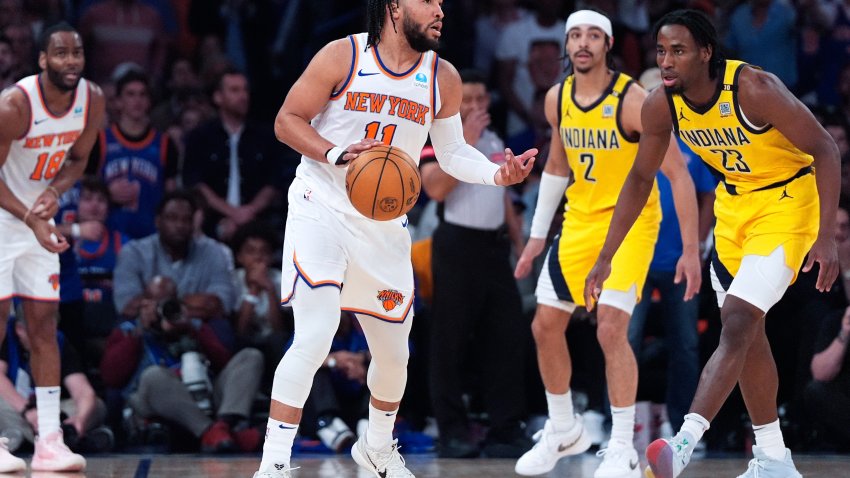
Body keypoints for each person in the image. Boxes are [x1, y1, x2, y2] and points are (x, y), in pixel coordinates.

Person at [254, 0, 537, 476]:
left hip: (383, 226)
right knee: (316, 334)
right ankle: (274, 462)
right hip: (319, 207)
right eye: (427, 0)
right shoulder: (341, 57)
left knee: (394, 355)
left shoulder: (441, 76)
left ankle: (377, 447)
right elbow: (286, 121)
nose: (439, 8)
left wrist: (495, 175)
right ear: (392, 6)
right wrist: (337, 153)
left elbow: (450, 153)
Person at [583, 9, 840, 478]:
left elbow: (825, 147)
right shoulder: (660, 105)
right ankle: (774, 459)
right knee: (746, 332)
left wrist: (825, 237)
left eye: (678, 50)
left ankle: (681, 444)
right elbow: (640, 179)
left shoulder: (754, 89)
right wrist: (605, 256)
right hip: (733, 210)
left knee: (738, 320)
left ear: (705, 52)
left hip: (787, 202)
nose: (666, 60)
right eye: (660, 50)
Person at [512, 10, 701, 478]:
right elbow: (557, 166)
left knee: (611, 329)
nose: (582, 42)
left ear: (608, 44)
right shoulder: (558, 98)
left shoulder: (634, 98)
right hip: (579, 221)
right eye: (574, 34)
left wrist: (692, 249)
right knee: (544, 326)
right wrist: (536, 238)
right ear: (566, 44)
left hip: (632, 223)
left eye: (593, 35)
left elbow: (677, 175)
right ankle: (562, 430)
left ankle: (622, 447)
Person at [0, 21, 105, 472]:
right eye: (60, 53)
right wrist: (31, 216)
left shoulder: (92, 100)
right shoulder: (14, 106)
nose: (70, 61)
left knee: (45, 327)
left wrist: (56, 193)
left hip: (36, 221)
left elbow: (78, 159)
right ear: (42, 60)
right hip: (5, 218)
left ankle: (49, 440)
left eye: (76, 53)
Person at [420, 69, 531, 459]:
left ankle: (505, 428)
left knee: (506, 338)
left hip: (495, 247)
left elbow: (501, 198)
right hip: (456, 245)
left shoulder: (497, 140)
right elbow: (433, 187)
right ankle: (451, 430)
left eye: (482, 99)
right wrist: (465, 140)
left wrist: (522, 245)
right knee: (449, 342)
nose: (476, 106)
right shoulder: (439, 136)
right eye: (468, 99)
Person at [0, 313, 111, 455]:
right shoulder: (4, 335)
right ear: (20, 329)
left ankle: (26, 440)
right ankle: (68, 441)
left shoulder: (58, 340)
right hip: (17, 408)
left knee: (96, 406)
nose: (47, 336)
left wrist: (80, 420)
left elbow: (83, 391)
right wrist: (28, 411)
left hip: (51, 411)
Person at [88, 68, 179, 240]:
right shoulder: (99, 141)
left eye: (142, 95)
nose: (137, 100)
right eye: (130, 94)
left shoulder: (166, 144)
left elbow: (171, 197)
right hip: (106, 236)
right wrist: (106, 193)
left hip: (151, 237)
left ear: (149, 101)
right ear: (118, 102)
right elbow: (82, 188)